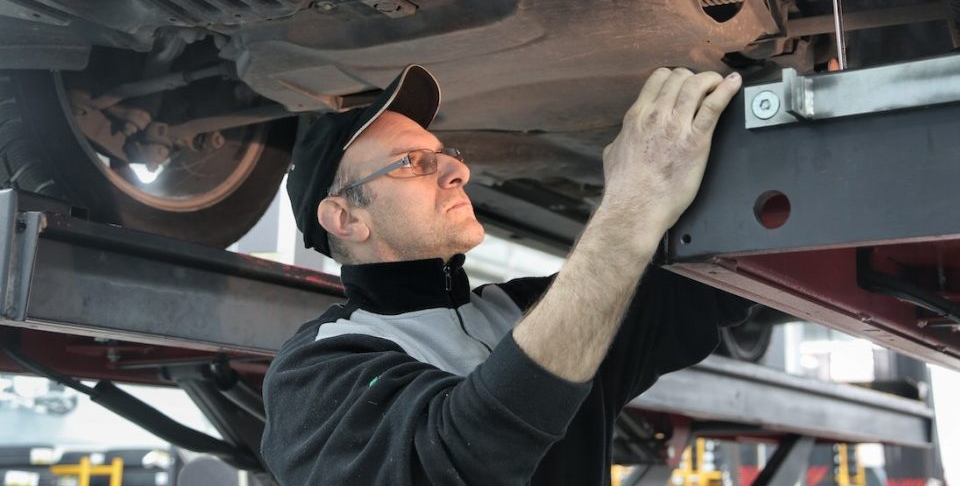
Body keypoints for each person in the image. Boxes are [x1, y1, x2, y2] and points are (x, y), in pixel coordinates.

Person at [261, 64, 751, 485]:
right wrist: (630, 205)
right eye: (413, 162)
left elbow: (717, 285)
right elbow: (464, 455)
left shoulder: (523, 311)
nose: (457, 171)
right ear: (345, 219)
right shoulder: (317, 370)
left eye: (446, 154)